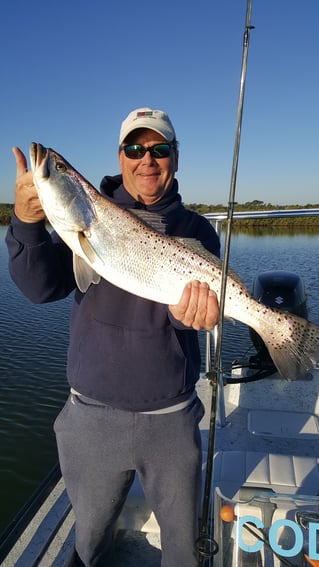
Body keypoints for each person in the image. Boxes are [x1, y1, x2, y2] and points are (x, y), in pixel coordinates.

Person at [6, 108, 220, 567]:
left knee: (184, 549)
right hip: (91, 418)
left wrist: (194, 317)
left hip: (173, 420)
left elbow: (191, 317)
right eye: (135, 149)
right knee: (89, 544)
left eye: (159, 149)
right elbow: (39, 288)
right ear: (120, 157)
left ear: (175, 159)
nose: (147, 159)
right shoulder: (83, 216)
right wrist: (26, 223)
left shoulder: (197, 232)